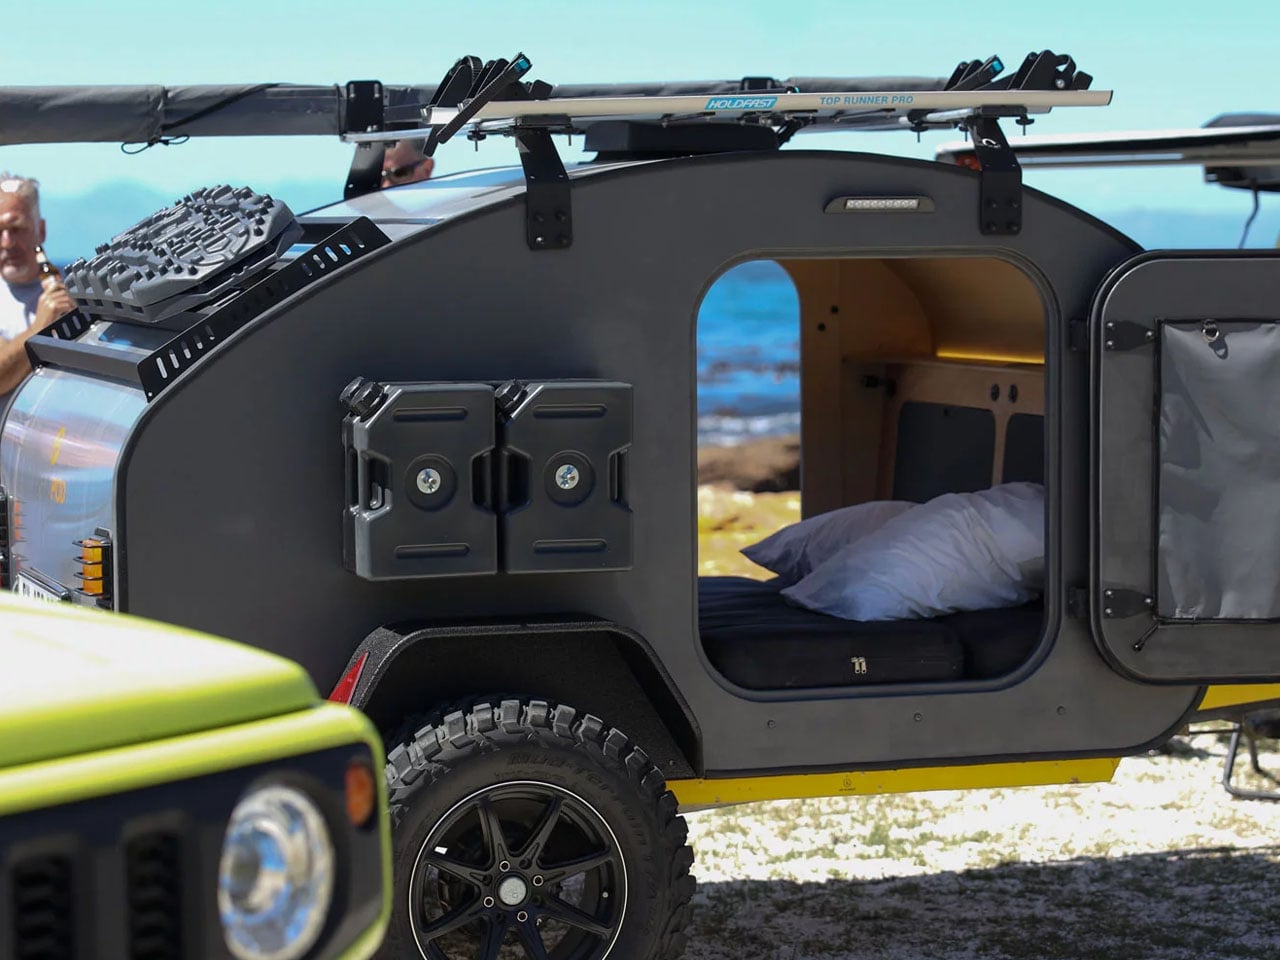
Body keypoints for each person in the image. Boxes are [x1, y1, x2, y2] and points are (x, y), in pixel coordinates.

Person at [0, 174, 75, 406]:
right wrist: (41, 327)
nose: (7, 242)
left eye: (17, 229)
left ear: (40, 230)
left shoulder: (73, 291)